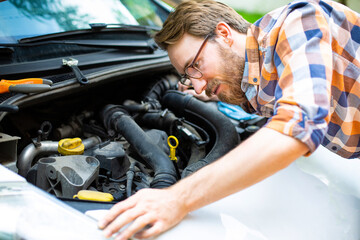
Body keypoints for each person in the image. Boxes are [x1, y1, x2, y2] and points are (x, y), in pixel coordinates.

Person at [98, 0, 360, 239]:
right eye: (189, 76)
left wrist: (177, 198)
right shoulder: (252, 69)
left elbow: (298, 125)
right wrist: (211, 91)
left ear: (223, 34)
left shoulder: (300, 22)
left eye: (195, 65)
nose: (198, 87)